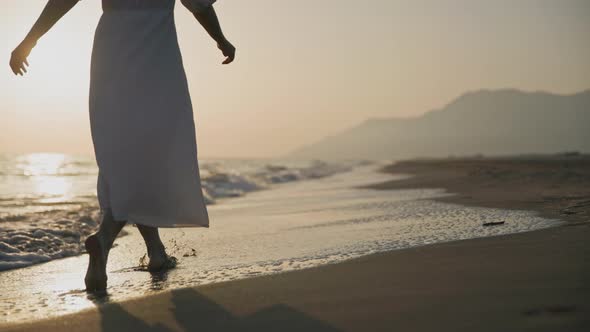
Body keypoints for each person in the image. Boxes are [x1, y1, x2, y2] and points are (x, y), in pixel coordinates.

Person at [9, 0, 235, 292]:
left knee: (125, 157)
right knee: (150, 154)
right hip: (156, 60)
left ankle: (155, 252)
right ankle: (104, 239)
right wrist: (221, 40)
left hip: (111, 57)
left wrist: (29, 40)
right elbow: (200, 5)